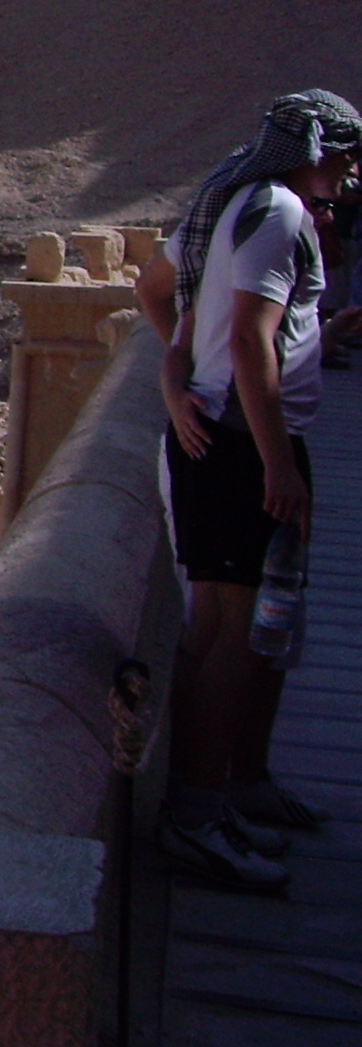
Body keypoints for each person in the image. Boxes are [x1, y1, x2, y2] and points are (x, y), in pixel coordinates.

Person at [133, 89, 360, 890]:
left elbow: (166, 296)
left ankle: (223, 792)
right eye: (347, 155)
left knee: (232, 628)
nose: (352, 172)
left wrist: (185, 368)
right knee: (231, 634)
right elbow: (251, 342)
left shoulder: (234, 201)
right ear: (315, 149)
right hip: (240, 447)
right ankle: (197, 815)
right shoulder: (279, 213)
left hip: (232, 437)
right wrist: (278, 464)